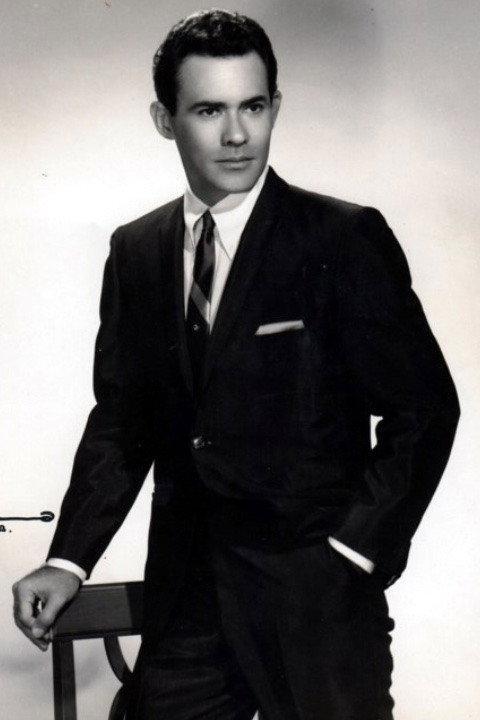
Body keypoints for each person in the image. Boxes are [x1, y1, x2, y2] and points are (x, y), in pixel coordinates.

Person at [12, 9, 460, 720]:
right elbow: (123, 422)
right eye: (209, 110)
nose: (236, 135)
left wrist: (352, 554)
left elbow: (425, 409)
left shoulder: (342, 237)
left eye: (253, 107)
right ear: (165, 120)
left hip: (316, 607)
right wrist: (70, 560)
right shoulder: (136, 250)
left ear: (274, 106)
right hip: (188, 600)